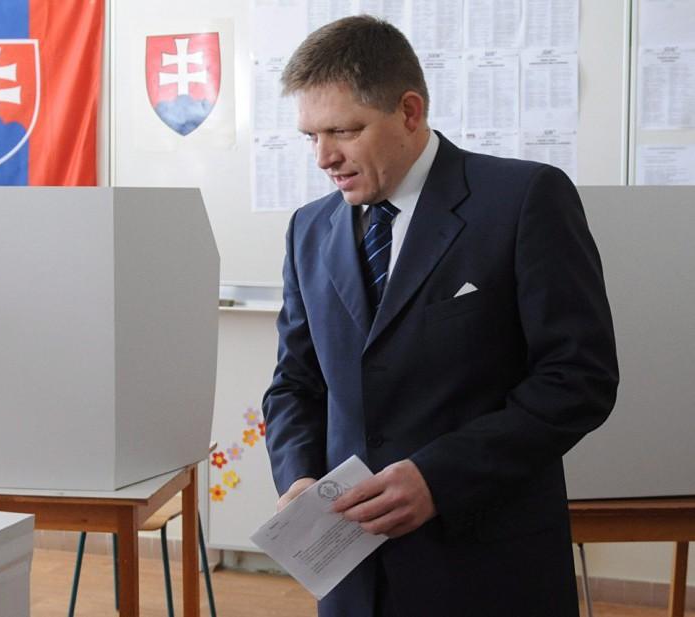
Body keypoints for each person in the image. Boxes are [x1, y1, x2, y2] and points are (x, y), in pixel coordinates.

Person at [261, 14, 619, 617]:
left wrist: (439, 478)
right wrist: (299, 480)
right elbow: (295, 383)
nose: (324, 157)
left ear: (409, 111)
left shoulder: (524, 199)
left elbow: (578, 378)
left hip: (487, 570)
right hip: (352, 580)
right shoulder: (308, 229)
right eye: (310, 136)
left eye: (344, 130)